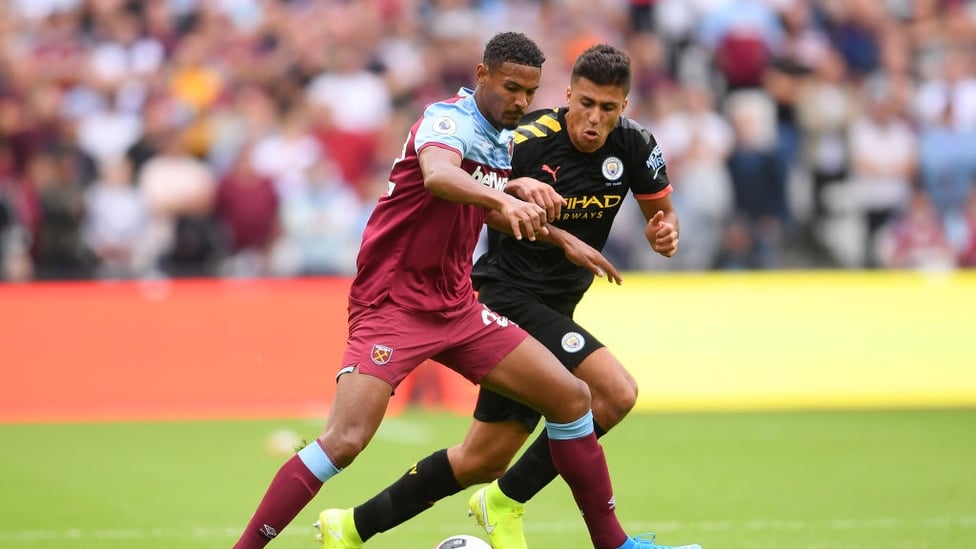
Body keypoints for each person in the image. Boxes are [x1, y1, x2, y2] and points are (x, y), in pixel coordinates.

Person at [233, 33, 667, 549]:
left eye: (529, 93)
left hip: (459, 306)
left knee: (573, 399)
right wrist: (504, 195)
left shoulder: (504, 135)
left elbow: (478, 193)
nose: (522, 103)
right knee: (345, 441)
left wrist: (517, 194)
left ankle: (613, 545)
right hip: (393, 304)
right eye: (511, 88)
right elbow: (439, 175)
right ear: (482, 77)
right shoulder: (448, 120)